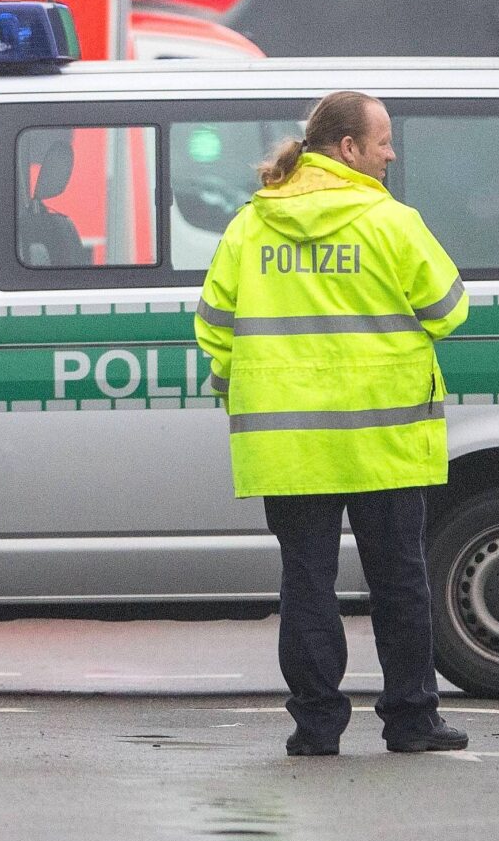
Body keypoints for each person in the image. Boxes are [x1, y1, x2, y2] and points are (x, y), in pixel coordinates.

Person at [194, 91, 471, 756]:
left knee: (307, 578)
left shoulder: (250, 226)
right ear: (348, 148)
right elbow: (448, 308)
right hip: (384, 435)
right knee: (399, 578)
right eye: (382, 141)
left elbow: (212, 326)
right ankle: (410, 719)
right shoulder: (390, 221)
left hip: (289, 441)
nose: (390, 153)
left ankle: (316, 724)